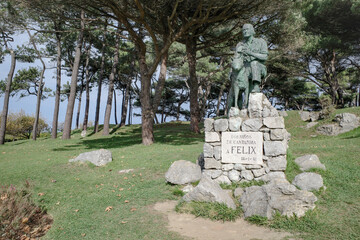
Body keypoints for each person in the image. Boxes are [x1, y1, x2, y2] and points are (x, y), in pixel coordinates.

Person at [227, 23, 268, 112]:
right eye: (243, 30)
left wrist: (250, 53)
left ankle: (256, 86)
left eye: (247, 29)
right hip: (245, 69)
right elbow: (236, 59)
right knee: (236, 82)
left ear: (253, 31)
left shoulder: (260, 42)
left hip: (259, 67)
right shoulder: (240, 45)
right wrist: (231, 71)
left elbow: (265, 57)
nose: (245, 31)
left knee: (254, 63)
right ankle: (237, 104)